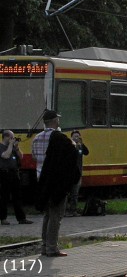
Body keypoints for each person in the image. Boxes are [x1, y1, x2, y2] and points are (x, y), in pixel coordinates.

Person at [34, 110, 81, 257]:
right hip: (56, 181)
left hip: (41, 179)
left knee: (47, 214)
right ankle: (51, 247)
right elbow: (67, 157)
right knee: (56, 215)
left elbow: (36, 157)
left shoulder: (36, 138)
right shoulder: (59, 139)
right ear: (55, 121)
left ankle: (44, 246)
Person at [0, 130, 33, 225]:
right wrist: (10, 145)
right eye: (11, 137)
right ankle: (3, 218)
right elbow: (5, 156)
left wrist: (17, 147)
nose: (13, 139)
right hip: (4, 173)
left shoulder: (13, 147)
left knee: (17, 196)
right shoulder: (1, 146)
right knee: (4, 197)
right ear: (6, 137)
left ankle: (21, 218)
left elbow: (21, 157)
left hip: (15, 173)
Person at [66, 130, 90, 216]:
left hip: (78, 172)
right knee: (67, 192)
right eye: (75, 136)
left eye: (78, 136)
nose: (76, 138)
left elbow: (87, 152)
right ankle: (65, 210)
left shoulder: (80, 146)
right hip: (69, 172)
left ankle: (73, 210)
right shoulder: (69, 146)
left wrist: (82, 144)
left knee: (75, 193)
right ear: (71, 137)